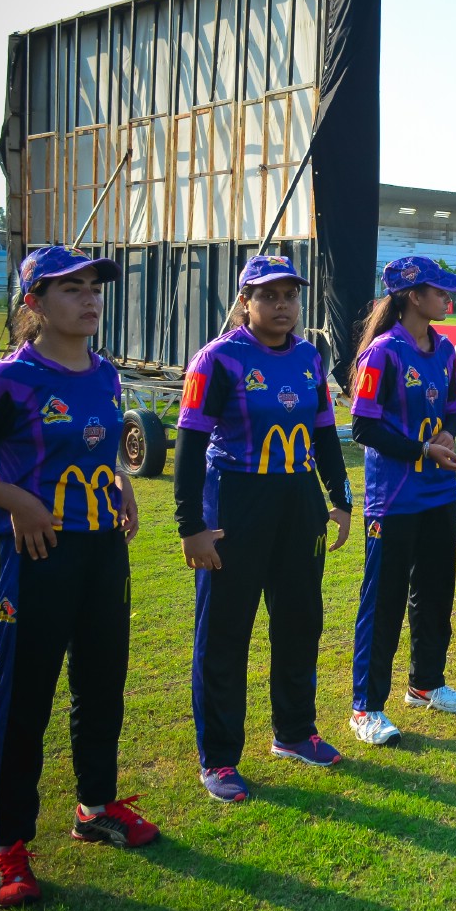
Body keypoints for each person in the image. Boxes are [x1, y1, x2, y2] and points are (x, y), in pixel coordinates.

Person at [0, 246, 159, 906]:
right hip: (37, 557)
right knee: (24, 699)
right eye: (70, 289)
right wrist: (13, 499)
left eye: (94, 287)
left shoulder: (105, 373)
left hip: (103, 552)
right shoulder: (4, 380)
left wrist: (120, 484)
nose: (90, 298)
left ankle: (95, 808)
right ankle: (6, 846)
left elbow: (100, 445)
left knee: (101, 686)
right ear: (34, 303)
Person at [177, 254, 353, 801]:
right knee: (225, 632)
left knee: (300, 620)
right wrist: (190, 525)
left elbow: (325, 433)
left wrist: (340, 499)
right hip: (236, 500)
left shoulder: (308, 356)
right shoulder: (217, 359)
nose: (282, 305)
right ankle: (219, 759)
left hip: (299, 500)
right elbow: (189, 445)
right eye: (269, 295)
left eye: (290, 295)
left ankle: (294, 733)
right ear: (245, 302)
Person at [347, 256, 456, 746]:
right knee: (383, 603)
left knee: (436, 593)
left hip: (440, 493)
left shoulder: (445, 349)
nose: (448, 299)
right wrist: (422, 449)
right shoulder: (383, 352)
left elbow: (453, 409)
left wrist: (447, 433)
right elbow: (364, 426)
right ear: (413, 296)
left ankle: (426, 684)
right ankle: (366, 708)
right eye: (440, 291)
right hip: (393, 499)